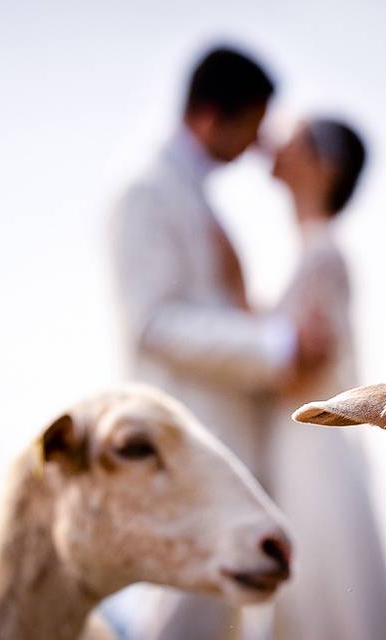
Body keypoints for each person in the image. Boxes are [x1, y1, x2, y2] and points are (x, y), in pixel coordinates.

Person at [110, 46, 329, 640]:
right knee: (184, 611)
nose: (259, 145)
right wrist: (275, 344)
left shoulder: (191, 193)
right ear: (212, 116)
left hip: (221, 437)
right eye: (253, 125)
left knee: (214, 615)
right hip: (186, 440)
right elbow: (153, 323)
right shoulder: (147, 192)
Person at [262, 118, 386, 639]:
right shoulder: (312, 254)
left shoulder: (322, 256)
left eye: (295, 138)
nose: (277, 143)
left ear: (325, 166)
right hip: (303, 450)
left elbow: (297, 365)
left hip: (311, 454)